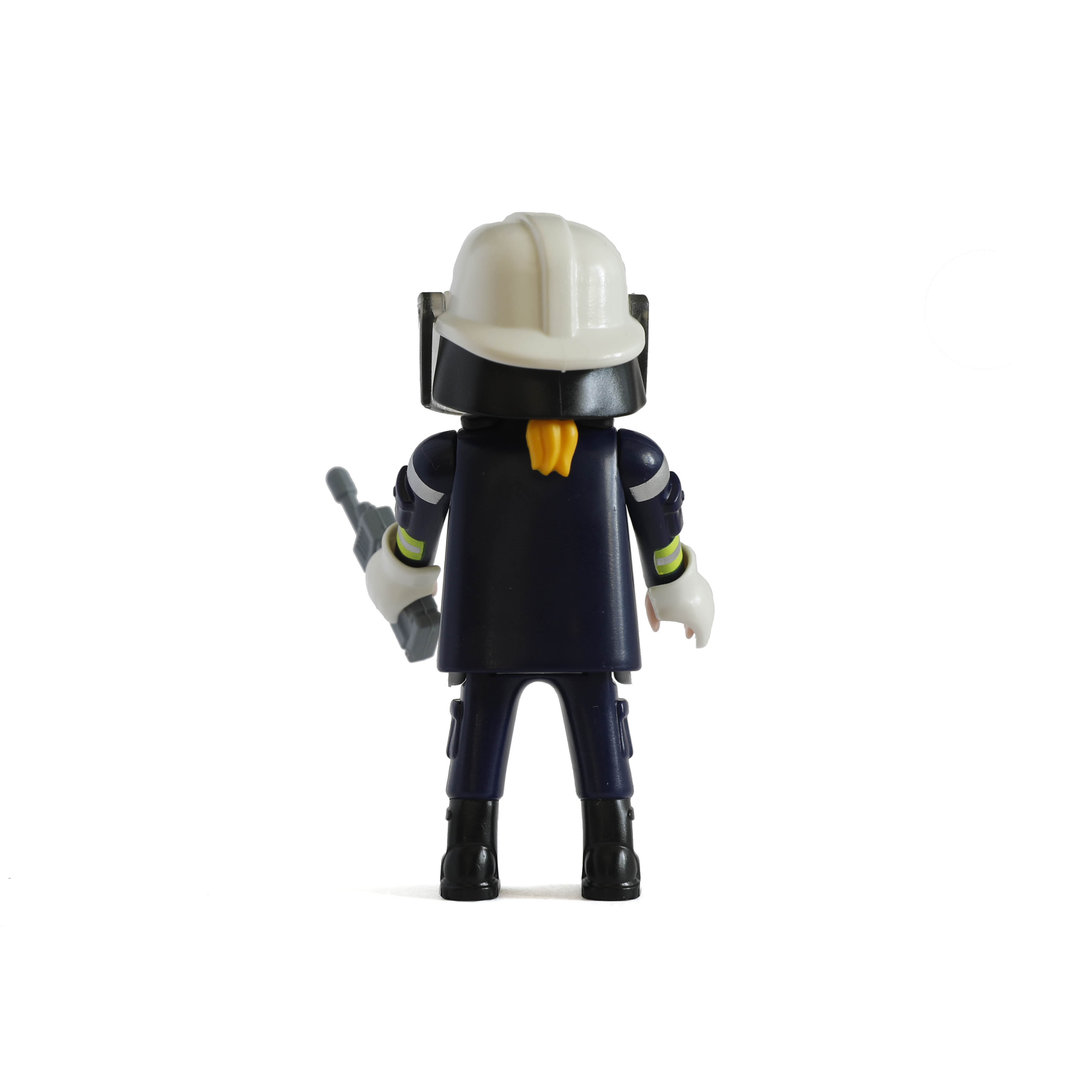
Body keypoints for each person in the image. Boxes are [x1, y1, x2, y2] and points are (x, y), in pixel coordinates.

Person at [363, 213, 714, 900]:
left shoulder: (446, 458)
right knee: (593, 727)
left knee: (485, 728)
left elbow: (414, 530)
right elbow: (662, 534)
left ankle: (469, 856)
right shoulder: (631, 457)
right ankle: (612, 856)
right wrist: (677, 584)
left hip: (491, 628)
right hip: (590, 627)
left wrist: (400, 573)